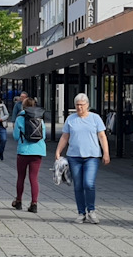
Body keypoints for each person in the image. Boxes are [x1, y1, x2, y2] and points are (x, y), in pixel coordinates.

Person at [55, 93, 110, 223]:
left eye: (82, 105)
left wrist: (106, 153)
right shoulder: (71, 119)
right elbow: (65, 136)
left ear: (87, 105)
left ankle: (91, 210)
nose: (79, 107)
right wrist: (58, 151)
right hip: (74, 156)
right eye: (77, 105)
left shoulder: (95, 118)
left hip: (92, 156)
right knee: (78, 186)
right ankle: (81, 212)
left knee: (89, 183)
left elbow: (102, 136)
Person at [10, 99, 46, 213]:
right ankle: (34, 203)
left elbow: (16, 136)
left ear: (23, 106)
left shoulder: (20, 118)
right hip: (38, 151)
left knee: (21, 176)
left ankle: (19, 201)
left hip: (24, 151)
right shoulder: (40, 118)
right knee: (33, 178)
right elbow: (43, 136)